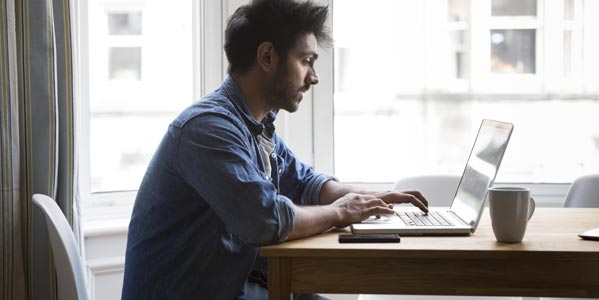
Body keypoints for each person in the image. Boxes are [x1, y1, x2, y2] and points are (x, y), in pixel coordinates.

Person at [121, 0, 429, 299]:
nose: (314, 77)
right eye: (306, 61)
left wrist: (371, 199)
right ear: (267, 57)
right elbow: (265, 220)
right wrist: (341, 212)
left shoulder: (254, 125)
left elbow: (304, 182)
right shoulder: (208, 129)